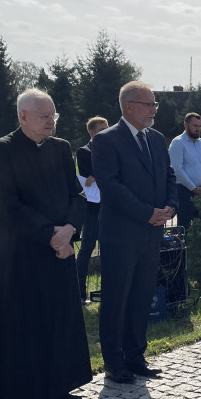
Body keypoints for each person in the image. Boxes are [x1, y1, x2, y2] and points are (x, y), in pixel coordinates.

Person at [0, 89, 93, 399]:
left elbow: (78, 194)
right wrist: (51, 234)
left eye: (54, 116)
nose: (51, 122)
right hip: (21, 252)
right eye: (45, 116)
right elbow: (7, 204)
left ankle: (57, 386)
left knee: (58, 317)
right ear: (23, 116)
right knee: (22, 323)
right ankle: (18, 397)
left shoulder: (61, 149)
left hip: (59, 249)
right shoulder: (1, 149)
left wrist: (70, 229)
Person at [92, 81, 177, 384]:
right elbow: (111, 185)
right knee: (117, 298)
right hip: (122, 234)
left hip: (151, 234)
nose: (154, 109)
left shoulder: (155, 138)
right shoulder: (106, 140)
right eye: (149, 104)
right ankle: (114, 362)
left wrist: (169, 206)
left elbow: (168, 175)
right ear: (129, 106)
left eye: (155, 104)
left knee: (142, 295)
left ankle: (135, 355)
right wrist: (147, 213)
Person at [76, 116, 109, 303]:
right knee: (87, 248)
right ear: (92, 132)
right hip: (92, 207)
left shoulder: (111, 149)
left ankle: (107, 290)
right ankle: (80, 292)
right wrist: (97, 175)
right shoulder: (84, 151)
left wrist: (97, 176)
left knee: (108, 249)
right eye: (102, 129)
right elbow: (89, 172)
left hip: (109, 206)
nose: (106, 132)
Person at [168, 112, 201, 230]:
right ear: (185, 125)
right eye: (194, 126)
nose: (197, 129)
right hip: (185, 192)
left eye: (199, 126)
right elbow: (177, 169)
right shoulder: (178, 143)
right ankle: (184, 249)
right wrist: (193, 188)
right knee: (185, 227)